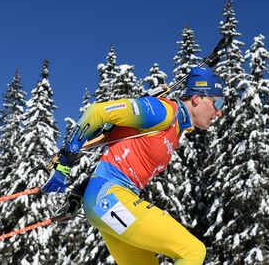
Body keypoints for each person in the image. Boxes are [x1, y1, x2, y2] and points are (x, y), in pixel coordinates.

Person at [42, 66, 225, 265]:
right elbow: (97, 112)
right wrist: (64, 163)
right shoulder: (163, 111)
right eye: (217, 103)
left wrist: (81, 191)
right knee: (192, 251)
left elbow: (120, 159)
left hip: (111, 199)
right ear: (197, 98)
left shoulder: (174, 130)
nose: (220, 112)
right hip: (109, 197)